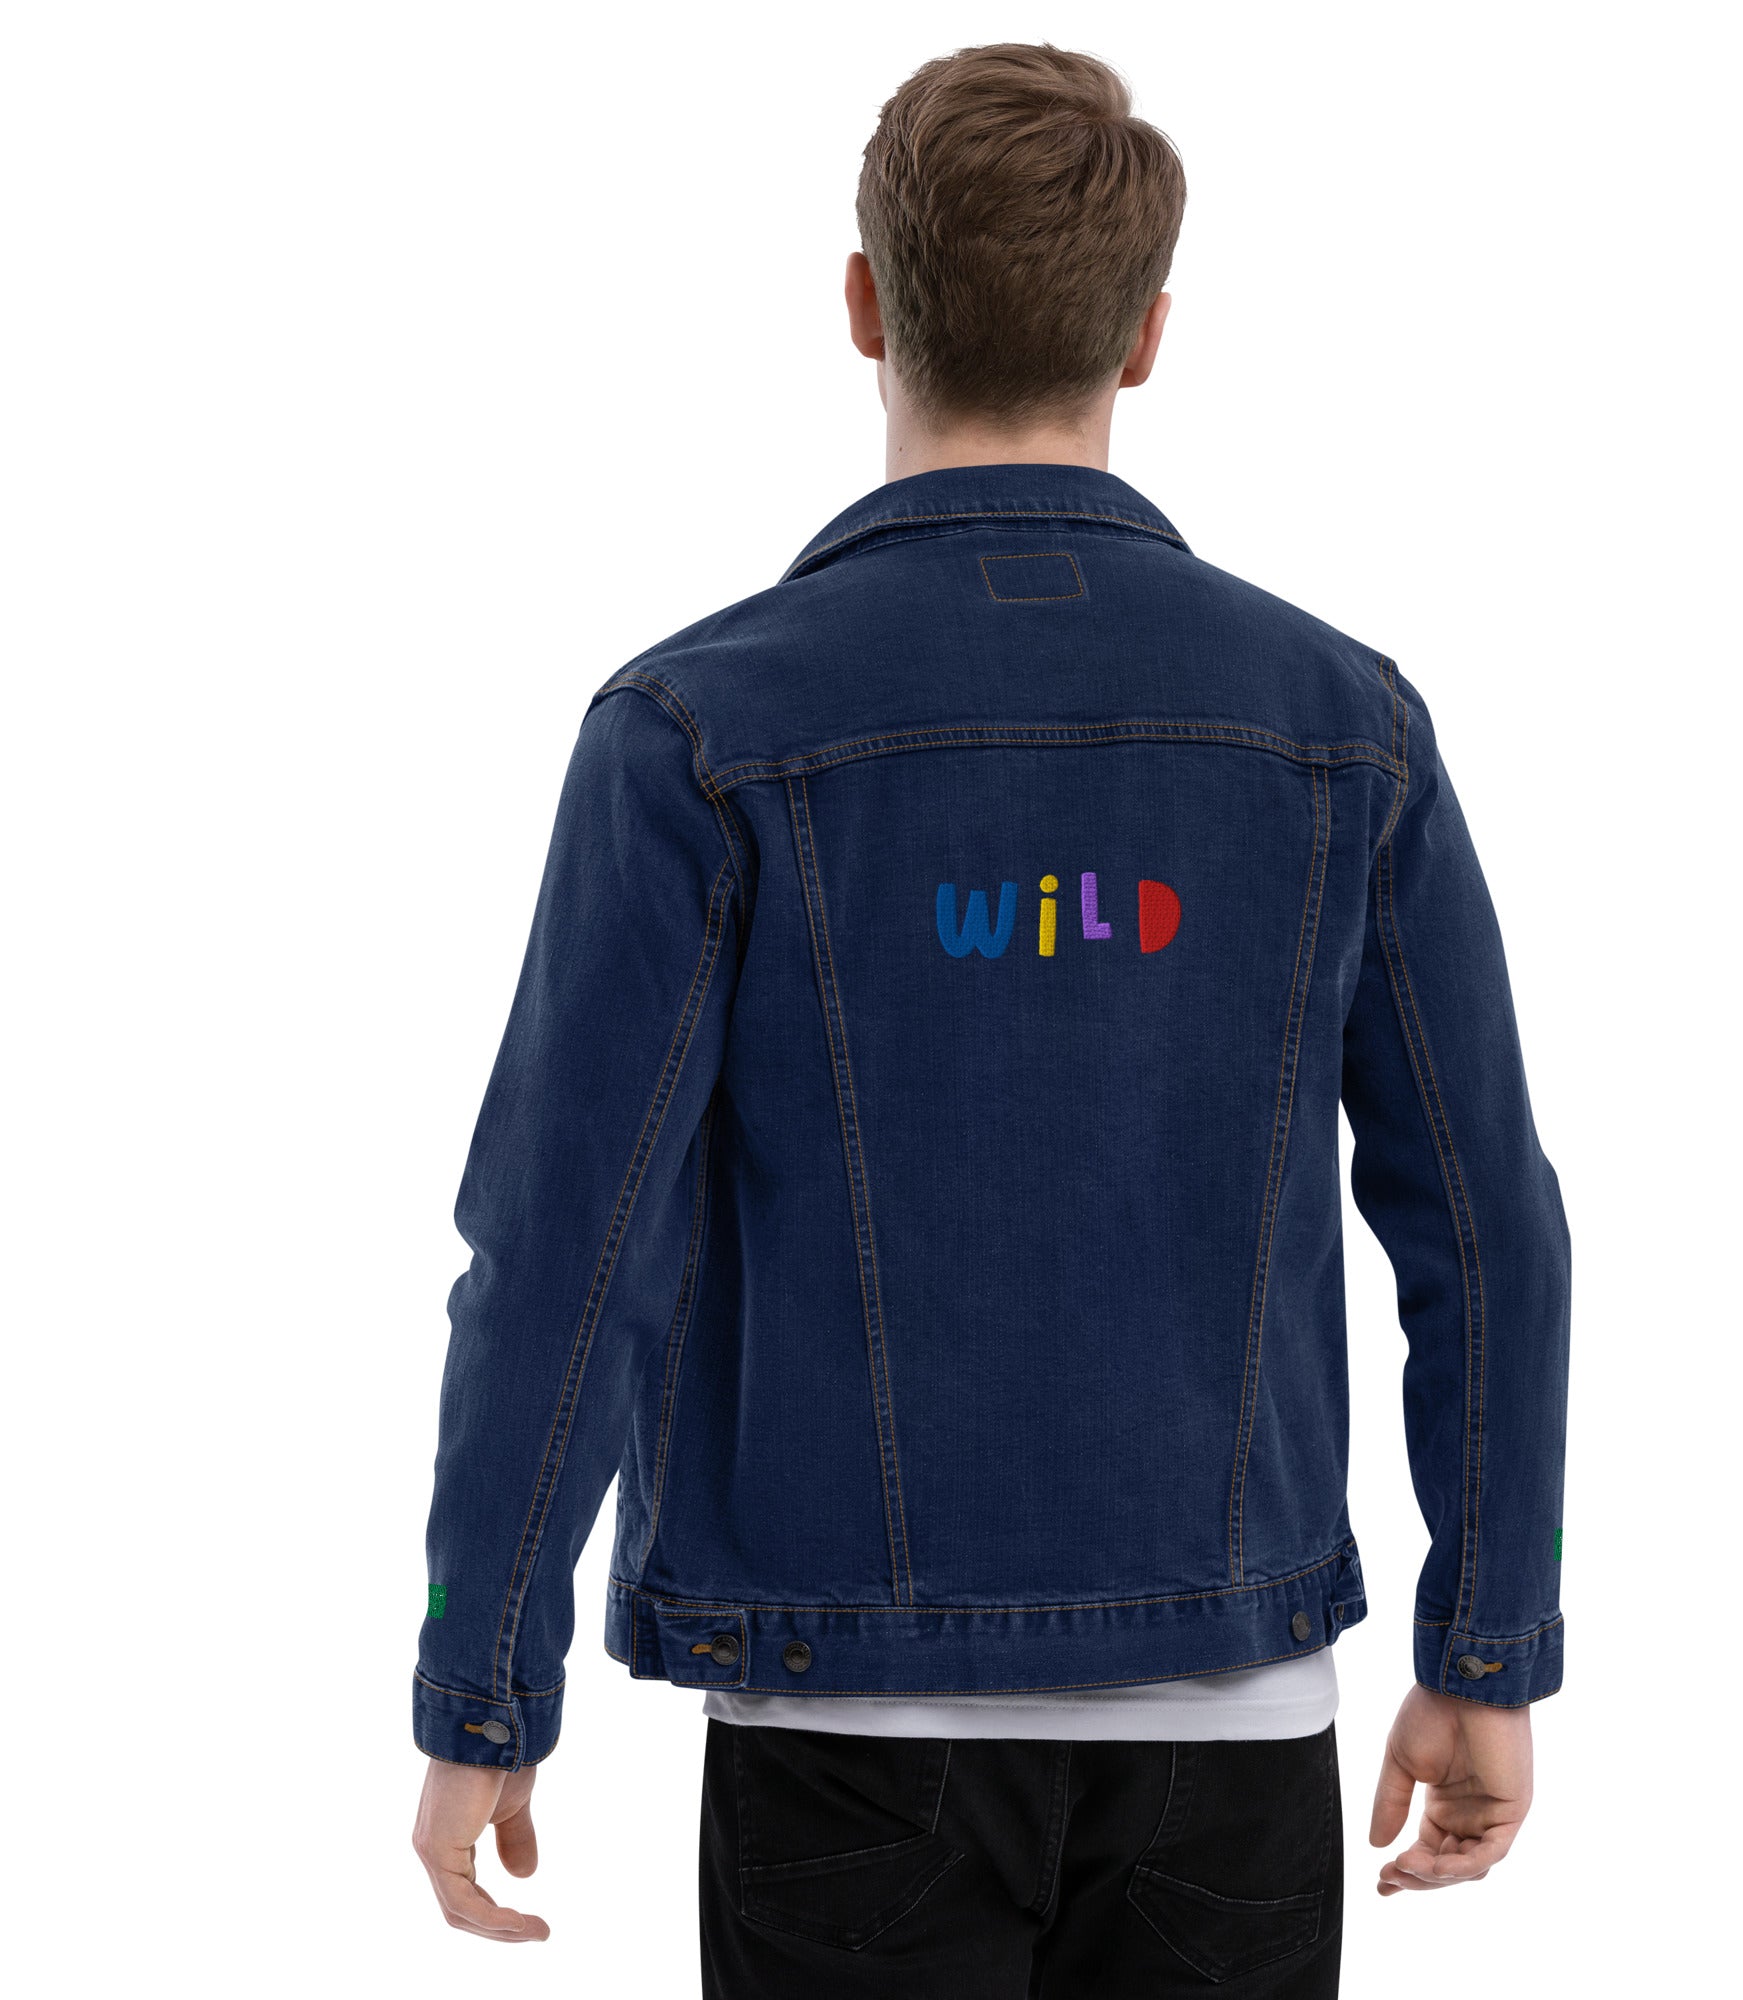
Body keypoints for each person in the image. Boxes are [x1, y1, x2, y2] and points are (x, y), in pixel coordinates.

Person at [409, 42, 1570, 1997]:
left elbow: (564, 1251)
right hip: (1235, 1729)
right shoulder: (1340, 726)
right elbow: (1490, 1229)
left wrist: (482, 1682)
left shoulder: (695, 732)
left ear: (866, 304)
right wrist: (1487, 1650)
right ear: (1149, 336)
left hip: (839, 1732)